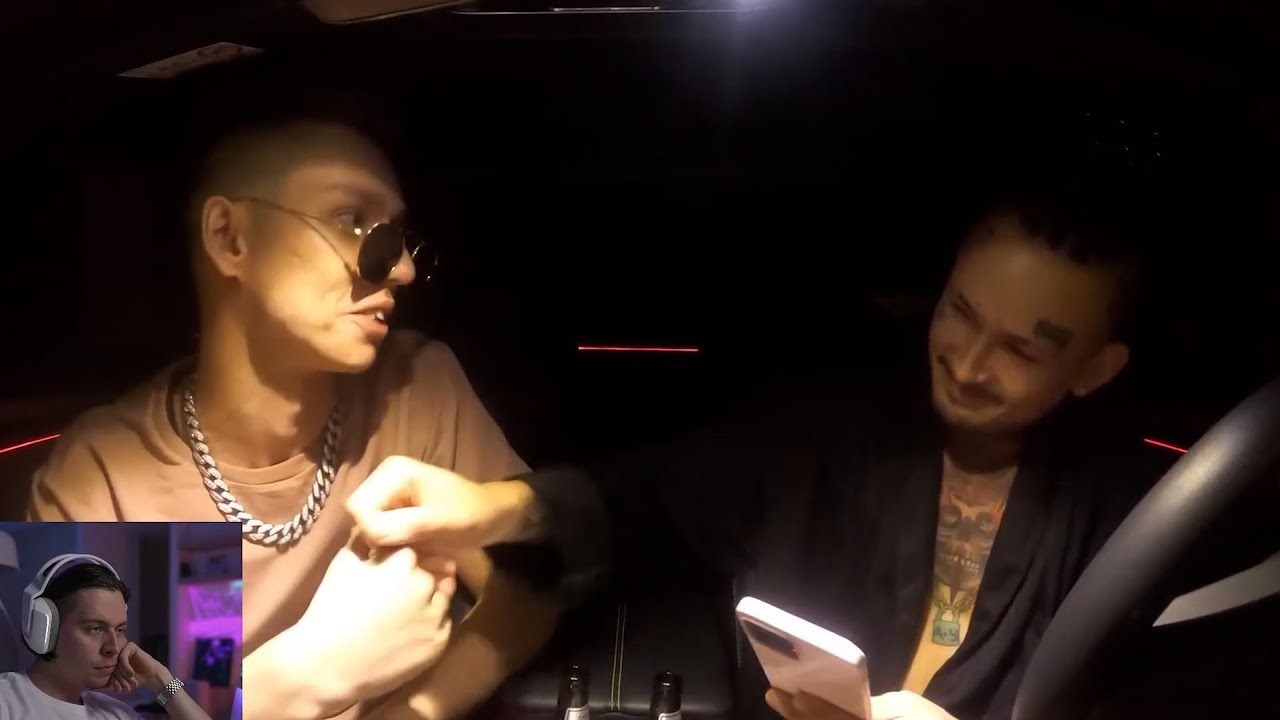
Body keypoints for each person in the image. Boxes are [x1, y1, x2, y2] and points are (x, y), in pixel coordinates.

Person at [340, 168, 1198, 720]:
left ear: (1095, 369)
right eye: (960, 313)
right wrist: (490, 508)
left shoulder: (1142, 523)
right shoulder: (830, 433)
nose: (968, 364)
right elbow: (641, 502)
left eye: (1020, 351)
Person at [27, 80, 556, 720]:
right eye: (352, 220)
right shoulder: (102, 479)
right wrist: (308, 675)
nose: (402, 269)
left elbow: (532, 584)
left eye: (396, 234)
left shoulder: (416, 385)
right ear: (230, 238)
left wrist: (415, 708)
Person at [0, 557, 210, 720]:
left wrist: (160, 679)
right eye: (95, 628)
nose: (114, 647)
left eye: (119, 630)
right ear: (45, 629)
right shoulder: (5, 702)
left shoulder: (117, 713)